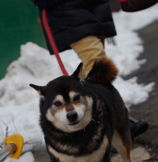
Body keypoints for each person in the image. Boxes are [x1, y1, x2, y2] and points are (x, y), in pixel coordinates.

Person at [31, 0, 148, 139]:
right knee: (98, 65)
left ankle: (98, 124)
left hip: (93, 6)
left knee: (94, 70)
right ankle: (110, 126)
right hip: (66, 9)